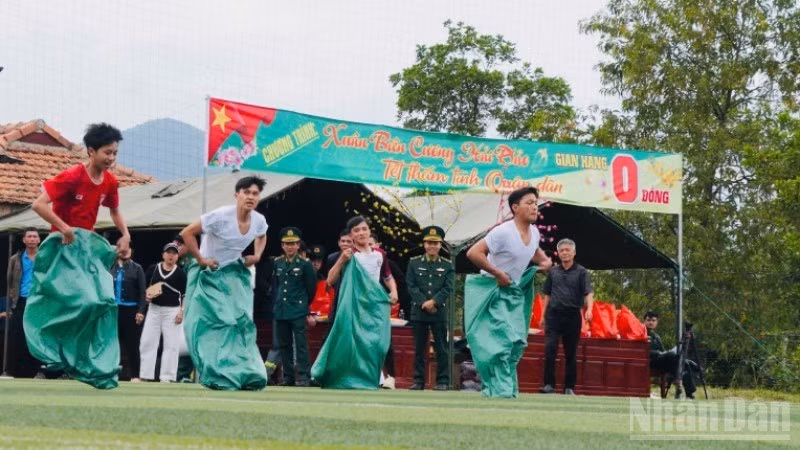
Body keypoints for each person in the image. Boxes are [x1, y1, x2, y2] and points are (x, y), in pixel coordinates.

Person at [26, 123, 131, 389]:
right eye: (107, 153)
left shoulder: (110, 181)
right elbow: (38, 204)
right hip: (62, 246)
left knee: (103, 301)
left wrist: (125, 234)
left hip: (88, 247)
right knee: (83, 301)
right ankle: (52, 354)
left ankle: (81, 359)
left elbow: (115, 211)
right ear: (91, 151)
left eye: (115, 153)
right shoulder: (72, 176)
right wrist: (64, 228)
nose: (111, 158)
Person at [180, 175, 268, 390]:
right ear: (236, 195)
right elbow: (187, 233)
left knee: (240, 322)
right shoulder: (219, 216)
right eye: (246, 192)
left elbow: (262, 235)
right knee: (211, 323)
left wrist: (256, 256)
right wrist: (201, 260)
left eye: (255, 194)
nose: (250, 197)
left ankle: (247, 372)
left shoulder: (258, 220)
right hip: (207, 273)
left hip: (233, 273)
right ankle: (215, 372)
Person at [465, 186, 552, 398]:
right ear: (515, 207)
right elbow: (473, 253)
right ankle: (501, 390)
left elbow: (535, 253)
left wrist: (545, 262)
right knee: (501, 342)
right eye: (529, 202)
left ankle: (500, 388)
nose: (534, 206)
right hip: (492, 292)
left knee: (516, 343)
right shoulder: (503, 231)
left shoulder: (534, 233)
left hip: (513, 295)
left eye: (536, 203)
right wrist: (497, 273)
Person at [311, 216, 398, 389]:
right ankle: (332, 375)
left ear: (369, 231)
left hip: (374, 305)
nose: (361, 233)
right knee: (348, 343)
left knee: (380, 343)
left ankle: (384, 378)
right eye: (356, 230)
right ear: (351, 235)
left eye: (364, 229)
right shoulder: (349, 254)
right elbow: (330, 280)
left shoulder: (380, 254)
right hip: (352, 306)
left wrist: (394, 291)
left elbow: (387, 276)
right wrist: (342, 260)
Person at [539, 238, 594, 395]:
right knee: (550, 349)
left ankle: (569, 387)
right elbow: (547, 295)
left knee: (571, 353)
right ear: (558, 253)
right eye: (562, 250)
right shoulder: (553, 272)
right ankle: (549, 385)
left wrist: (589, 309)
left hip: (572, 316)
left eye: (567, 250)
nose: (564, 253)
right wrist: (543, 316)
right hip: (554, 315)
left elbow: (589, 292)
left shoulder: (581, 272)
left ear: (574, 252)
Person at [406, 226, 455, 391]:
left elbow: (448, 288)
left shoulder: (448, 265)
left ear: (440, 245)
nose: (432, 246)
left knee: (442, 348)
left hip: (438, 311)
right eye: (429, 243)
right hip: (419, 311)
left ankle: (442, 381)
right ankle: (418, 381)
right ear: (424, 244)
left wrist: (433, 301)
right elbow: (411, 286)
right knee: (419, 348)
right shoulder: (414, 263)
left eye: (435, 243)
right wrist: (423, 303)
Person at [272, 227, 317, 387]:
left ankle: (304, 376)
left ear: (299, 245)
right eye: (286, 244)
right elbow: (276, 286)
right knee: (284, 345)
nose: (290, 247)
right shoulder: (277, 262)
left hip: (298, 309)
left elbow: (311, 288)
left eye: (293, 244)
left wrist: (304, 304)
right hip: (281, 309)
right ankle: (288, 377)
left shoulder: (305, 264)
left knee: (301, 344)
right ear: (282, 246)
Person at [139, 242, 187, 382]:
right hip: (154, 309)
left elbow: (184, 294)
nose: (171, 255)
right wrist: (146, 297)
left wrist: (181, 312)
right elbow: (144, 288)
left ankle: (168, 377)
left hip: (172, 311)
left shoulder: (180, 273)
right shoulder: (153, 269)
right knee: (147, 341)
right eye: (168, 252)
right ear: (163, 254)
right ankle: (145, 375)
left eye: (174, 253)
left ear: (177, 256)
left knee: (171, 344)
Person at [6, 228, 43, 378]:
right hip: (21, 300)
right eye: (30, 236)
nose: (32, 239)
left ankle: (36, 369)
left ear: (39, 240)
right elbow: (10, 280)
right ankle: (17, 371)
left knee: (36, 335)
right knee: (18, 335)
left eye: (35, 236)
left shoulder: (45, 257)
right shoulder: (16, 258)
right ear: (24, 240)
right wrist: (11, 301)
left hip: (40, 300)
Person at [109, 245, 146, 382]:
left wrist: (141, 311)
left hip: (131, 310)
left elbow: (143, 293)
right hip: (113, 310)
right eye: (122, 250)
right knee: (112, 343)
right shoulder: (110, 268)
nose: (124, 252)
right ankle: (111, 372)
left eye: (127, 249)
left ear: (131, 252)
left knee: (132, 344)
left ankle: (135, 375)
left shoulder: (137, 268)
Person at [644, 311, 696, 399]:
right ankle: (677, 377)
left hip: (661, 361)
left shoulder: (656, 336)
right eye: (648, 320)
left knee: (683, 362)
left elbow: (662, 351)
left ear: (657, 322)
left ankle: (689, 394)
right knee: (673, 356)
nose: (651, 322)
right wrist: (661, 353)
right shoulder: (642, 333)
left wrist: (664, 353)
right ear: (644, 321)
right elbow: (645, 351)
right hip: (650, 361)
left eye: (653, 320)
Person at [322, 229, 353, 324]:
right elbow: (330, 281)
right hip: (337, 297)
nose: (345, 244)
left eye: (349, 241)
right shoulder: (332, 258)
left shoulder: (359, 257)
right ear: (339, 243)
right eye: (343, 241)